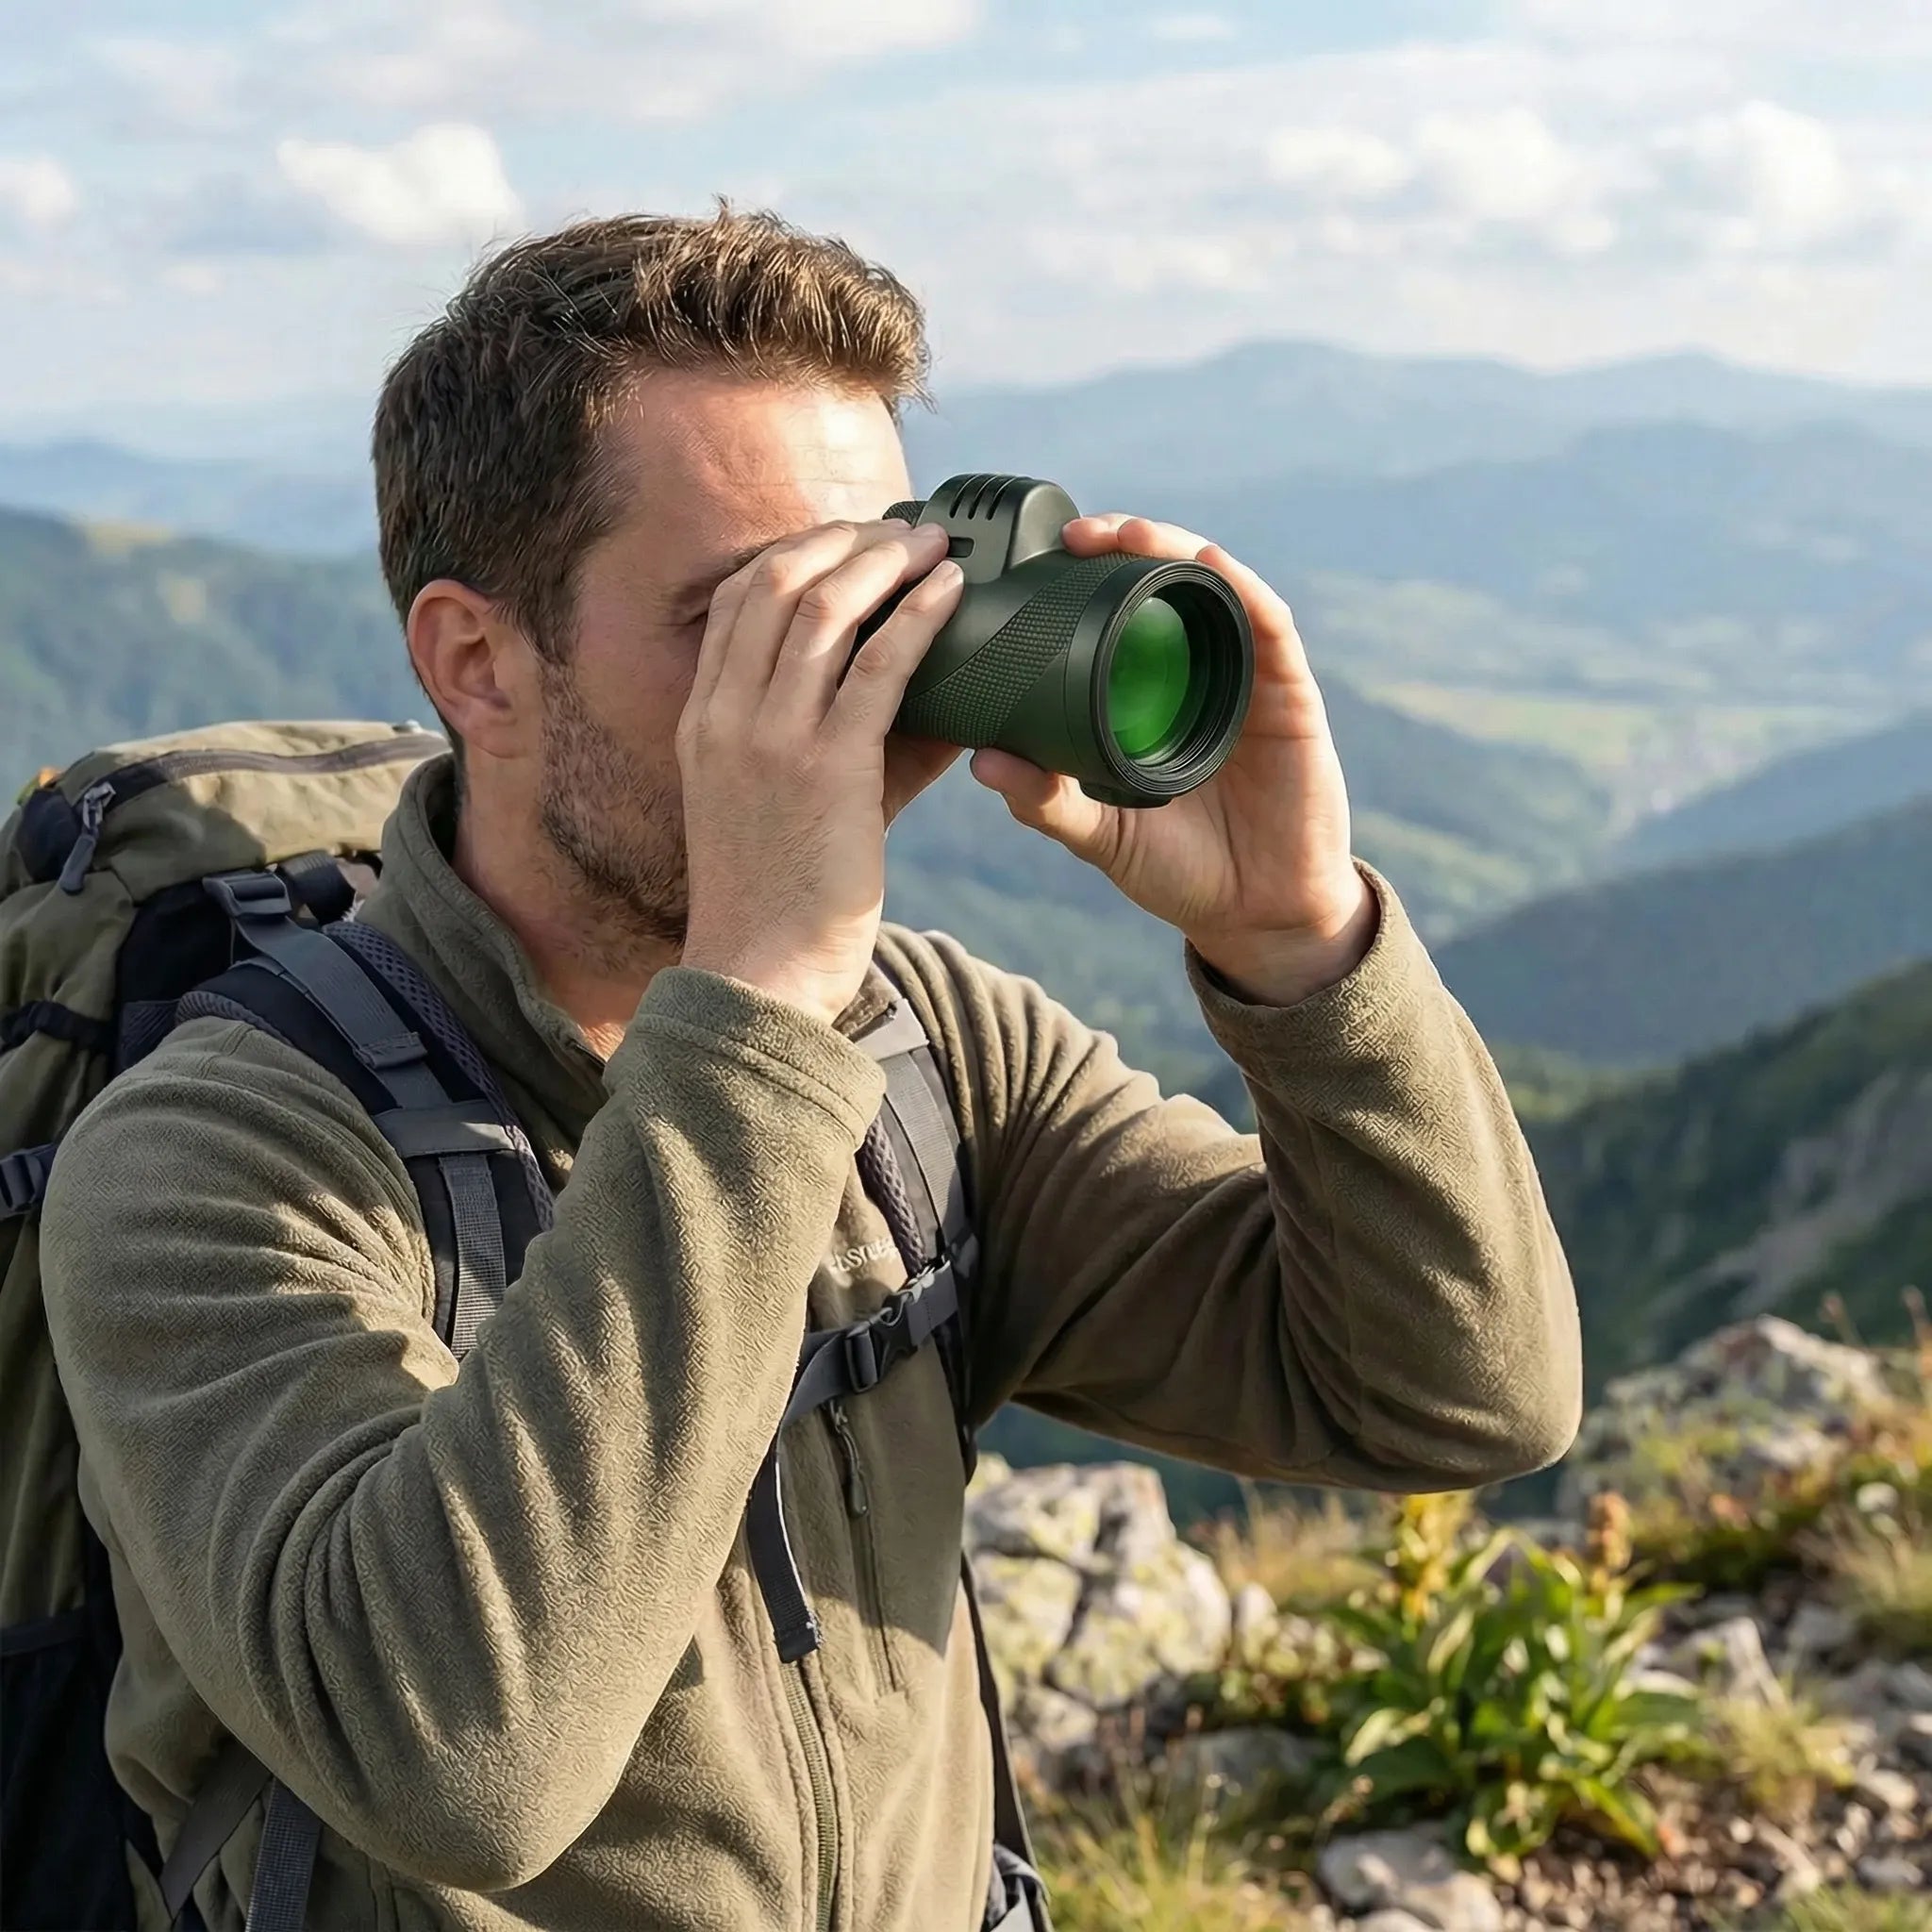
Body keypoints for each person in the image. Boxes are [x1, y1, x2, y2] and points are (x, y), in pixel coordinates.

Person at [39, 203, 1582, 1932]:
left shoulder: (932, 1050)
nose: (842, 687)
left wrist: (1303, 950)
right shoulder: (210, 1159)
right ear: (478, 659)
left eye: (880, 593)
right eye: (749, 620)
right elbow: (464, 1765)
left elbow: (1458, 1395)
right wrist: (759, 1000)